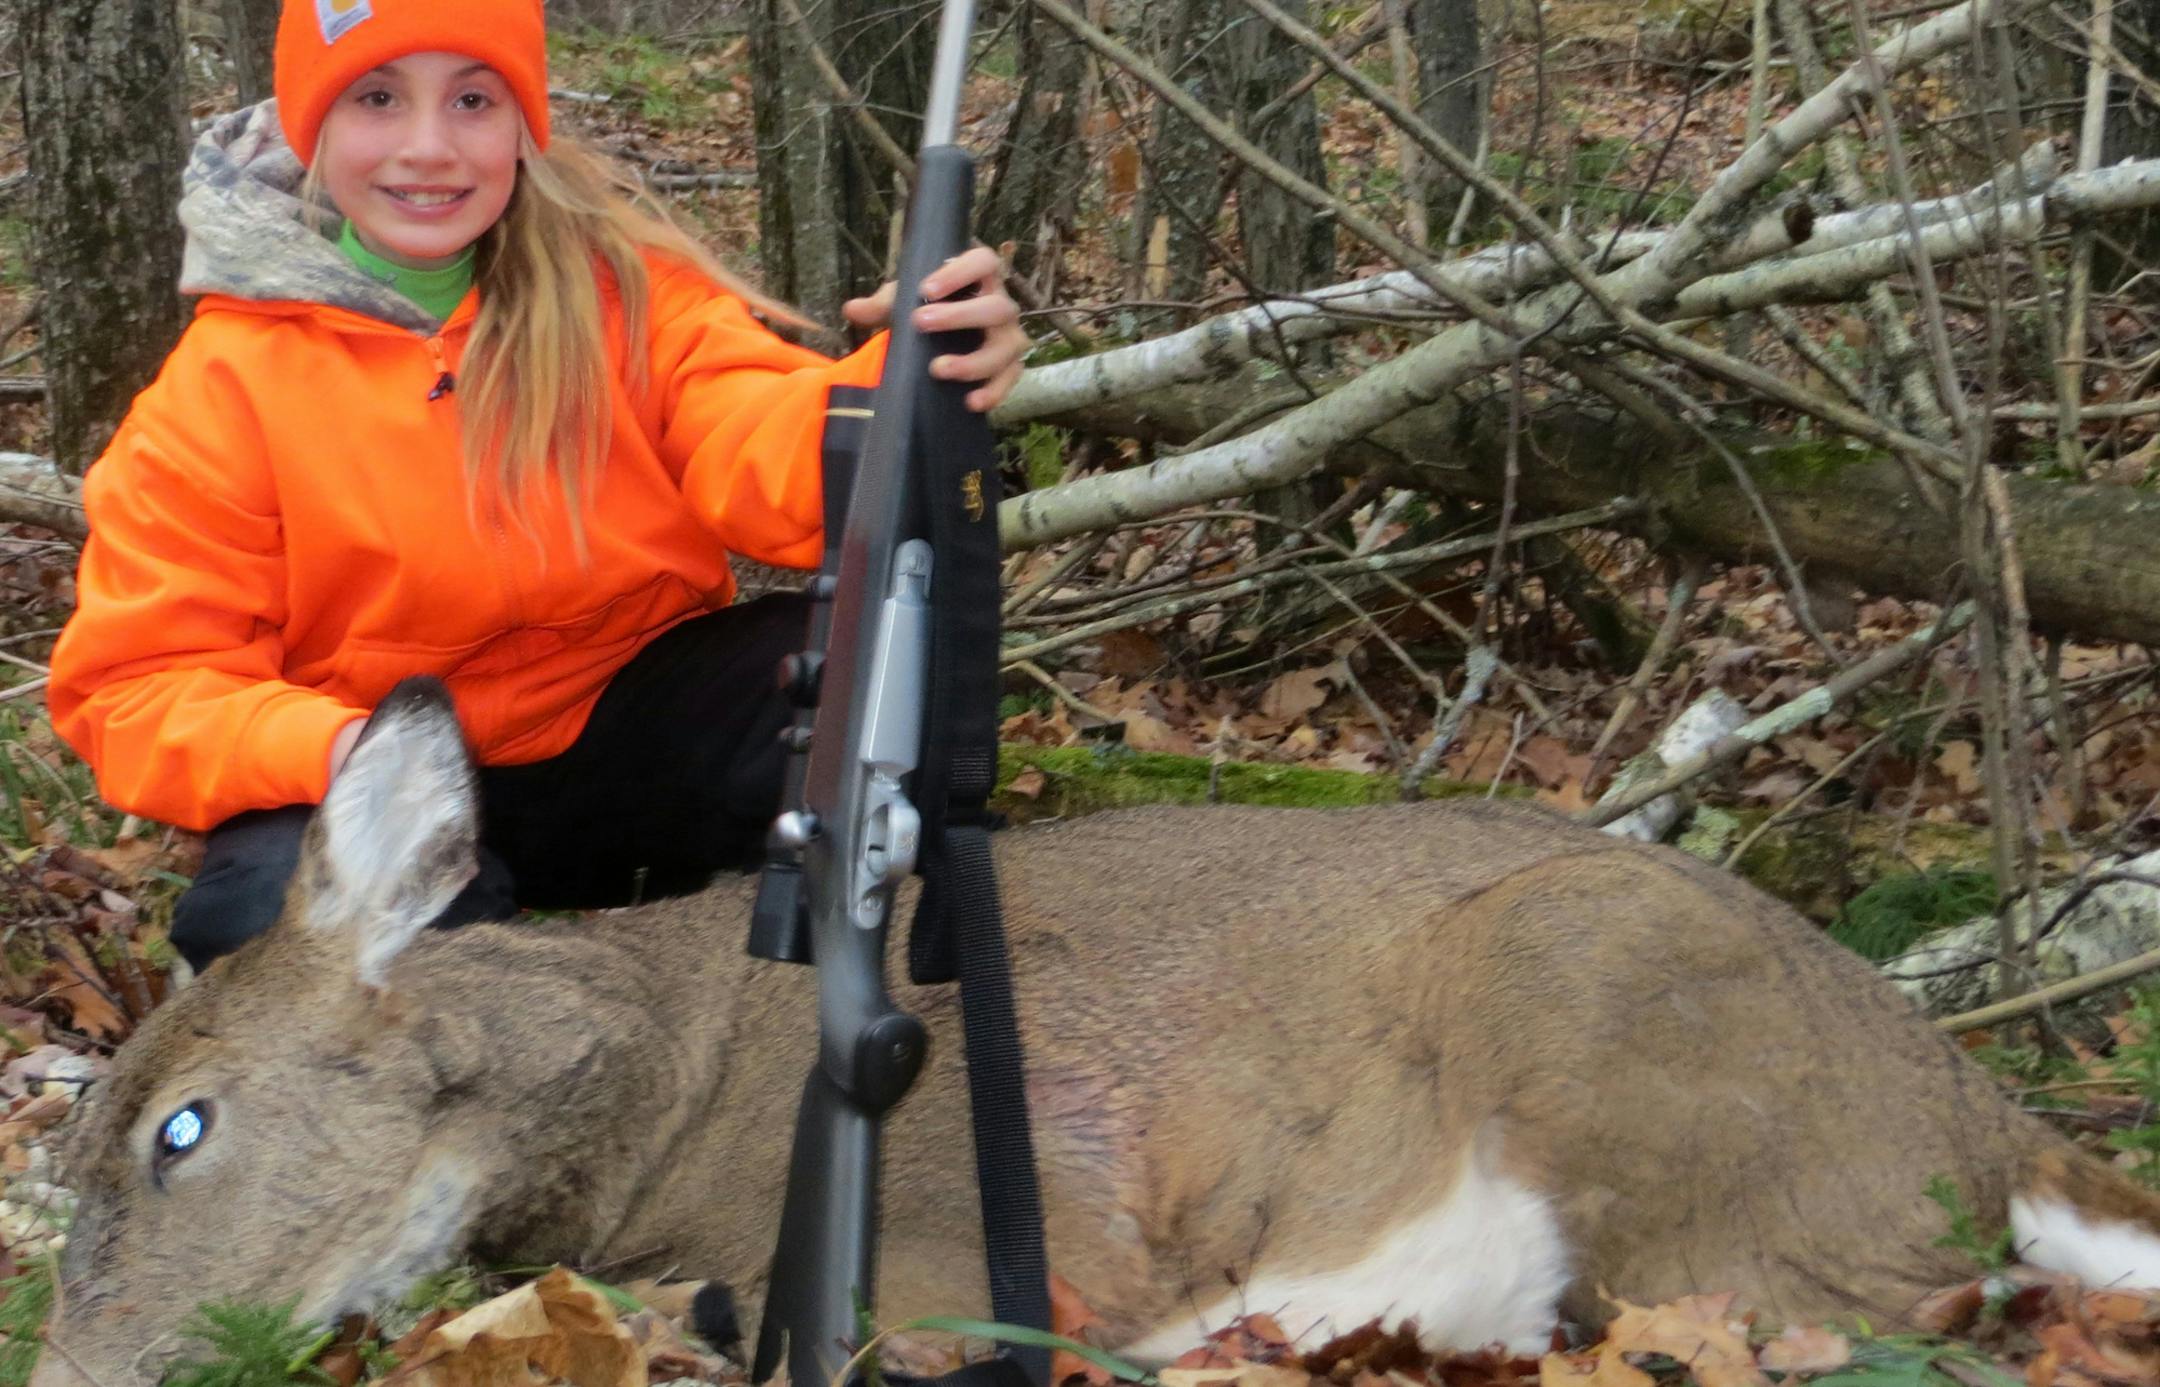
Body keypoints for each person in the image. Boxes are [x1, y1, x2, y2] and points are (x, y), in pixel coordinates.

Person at [45, 0, 1030, 971]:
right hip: (377, 775)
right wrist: (343, 750)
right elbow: (138, 684)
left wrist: (907, 379)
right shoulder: (222, 387)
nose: (428, 147)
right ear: (314, 126)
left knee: (857, 673)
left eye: (474, 100)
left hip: (624, 747)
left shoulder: (627, 292)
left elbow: (767, 448)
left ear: (523, 124)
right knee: (272, 910)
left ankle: (841, 1028)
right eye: (378, 97)